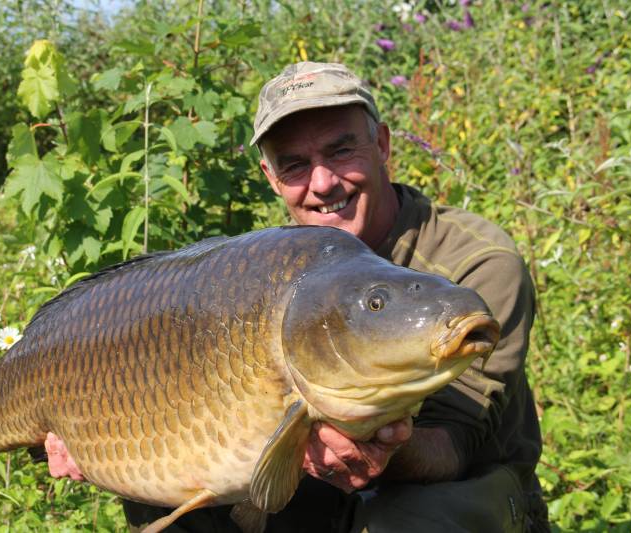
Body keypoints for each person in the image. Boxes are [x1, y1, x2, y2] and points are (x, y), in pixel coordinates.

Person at [45, 61, 548, 532]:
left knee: (411, 518)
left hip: (459, 491)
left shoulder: (475, 264)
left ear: (383, 144)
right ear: (271, 178)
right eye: (295, 165)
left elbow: (456, 444)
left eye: (341, 150)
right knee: (175, 502)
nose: (323, 183)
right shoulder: (268, 271)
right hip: (311, 485)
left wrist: (387, 449)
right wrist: (105, 441)